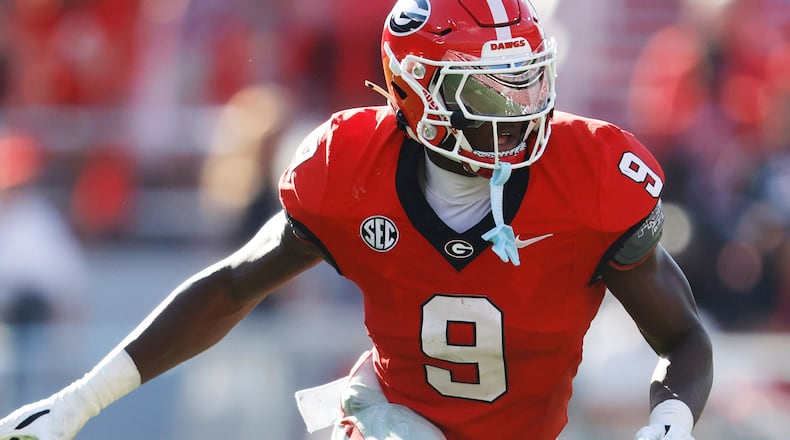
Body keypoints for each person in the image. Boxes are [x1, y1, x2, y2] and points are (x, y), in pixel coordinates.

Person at [0, 0, 713, 439]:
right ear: (417, 93)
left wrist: (671, 421)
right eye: (492, 93)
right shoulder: (350, 165)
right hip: (388, 422)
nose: (521, 108)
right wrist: (80, 401)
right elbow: (229, 288)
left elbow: (682, 337)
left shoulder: (590, 174)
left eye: (529, 80)